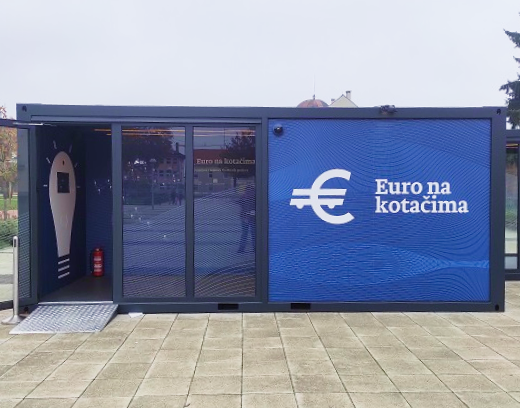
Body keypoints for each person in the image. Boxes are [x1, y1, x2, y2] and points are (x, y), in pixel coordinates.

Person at [238, 184, 255, 253]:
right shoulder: (254, 196)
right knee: (253, 234)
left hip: (245, 217)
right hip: (252, 217)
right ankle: (255, 248)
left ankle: (241, 249)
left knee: (244, 233)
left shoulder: (244, 196)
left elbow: (241, 205)